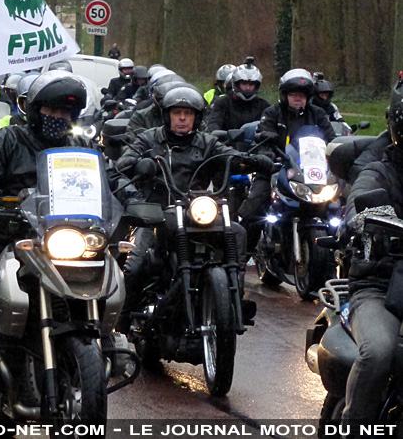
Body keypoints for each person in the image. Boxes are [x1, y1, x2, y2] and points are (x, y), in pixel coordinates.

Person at [0, 70, 139, 329]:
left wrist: (133, 199)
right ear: (34, 109)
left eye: (65, 112)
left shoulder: (83, 147)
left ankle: (107, 340)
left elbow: (111, 177)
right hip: (9, 234)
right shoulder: (7, 140)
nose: (58, 117)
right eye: (51, 109)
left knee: (113, 278)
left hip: (71, 237)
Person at [115, 86, 272, 332]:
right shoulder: (149, 139)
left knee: (237, 232)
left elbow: (228, 156)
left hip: (195, 210)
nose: (182, 118)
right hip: (156, 212)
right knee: (134, 267)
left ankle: (233, 293)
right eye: (177, 113)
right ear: (167, 115)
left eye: (187, 113)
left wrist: (254, 161)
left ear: (196, 118)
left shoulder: (207, 142)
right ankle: (122, 324)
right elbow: (124, 164)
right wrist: (133, 167)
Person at [340, 78, 403, 424]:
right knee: (378, 351)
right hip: (381, 284)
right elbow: (358, 199)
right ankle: (354, 428)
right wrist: (367, 218)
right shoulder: (380, 171)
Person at [238, 68, 336, 247]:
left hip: (312, 172)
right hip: (277, 168)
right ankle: (242, 256)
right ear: (285, 95)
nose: (298, 98)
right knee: (254, 207)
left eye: (302, 94)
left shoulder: (318, 114)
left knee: (338, 207)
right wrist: (267, 157)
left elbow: (331, 140)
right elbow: (262, 138)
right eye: (293, 94)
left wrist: (337, 156)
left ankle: (343, 253)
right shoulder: (272, 113)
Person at [206, 58, 270, 132]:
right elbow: (213, 124)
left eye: (251, 84)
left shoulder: (263, 106)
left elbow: (270, 126)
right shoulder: (222, 103)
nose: (248, 88)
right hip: (226, 143)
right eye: (244, 84)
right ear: (236, 84)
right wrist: (220, 135)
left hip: (257, 143)